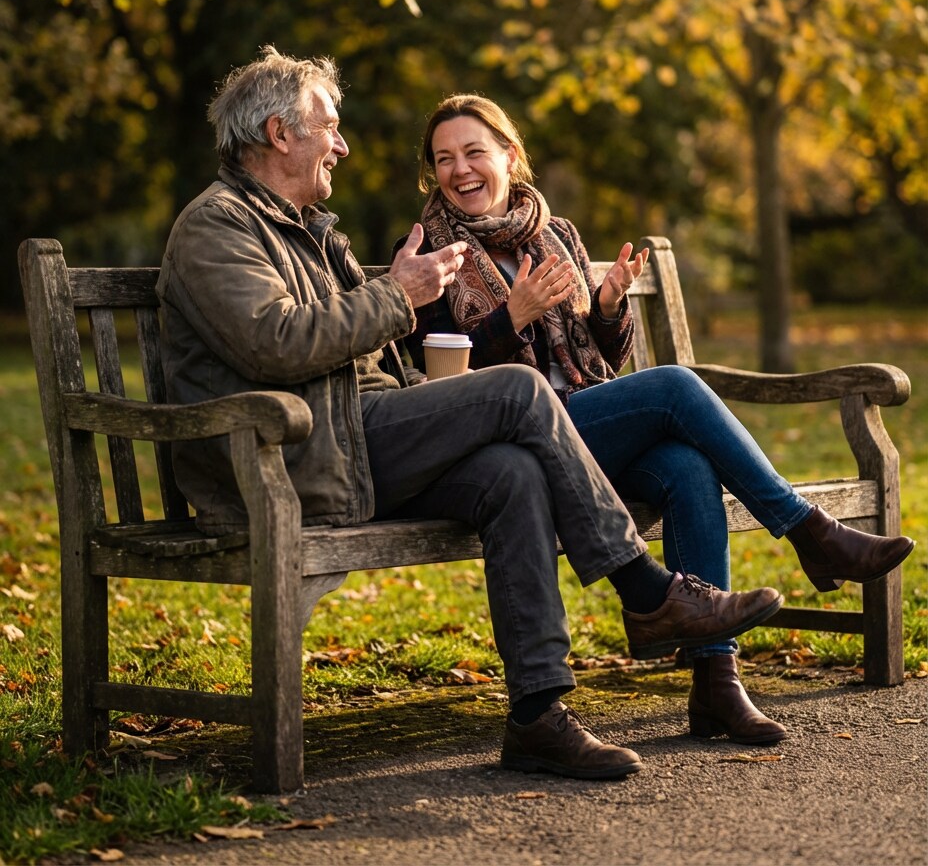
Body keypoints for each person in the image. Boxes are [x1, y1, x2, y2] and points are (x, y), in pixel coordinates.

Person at [156, 47, 789, 782]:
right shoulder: (218, 228)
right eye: (329, 128)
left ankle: (538, 717)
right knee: (519, 391)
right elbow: (275, 343)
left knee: (510, 473)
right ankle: (647, 592)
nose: (342, 144)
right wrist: (400, 297)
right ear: (278, 133)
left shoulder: (311, 228)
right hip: (288, 460)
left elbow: (362, 354)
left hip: (353, 438)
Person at [397, 93, 915, 747]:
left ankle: (716, 686)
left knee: (685, 465)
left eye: (474, 152)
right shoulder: (428, 253)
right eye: (444, 159)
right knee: (673, 386)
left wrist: (610, 307)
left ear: (509, 155)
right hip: (517, 440)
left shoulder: (556, 235)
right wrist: (511, 319)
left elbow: (602, 353)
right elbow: (446, 384)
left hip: (589, 425)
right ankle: (809, 531)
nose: (460, 170)